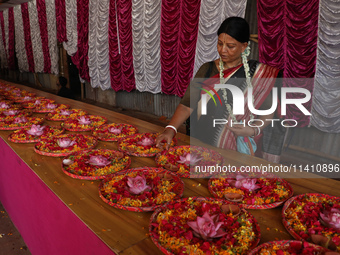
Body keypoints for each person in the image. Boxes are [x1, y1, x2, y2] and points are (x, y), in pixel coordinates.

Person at [155, 17, 285, 163]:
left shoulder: (258, 74)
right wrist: (170, 129)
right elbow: (187, 104)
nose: (223, 50)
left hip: (236, 149)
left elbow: (268, 110)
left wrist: (252, 130)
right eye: (220, 43)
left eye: (230, 46)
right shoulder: (207, 69)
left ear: (244, 46)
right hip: (202, 141)